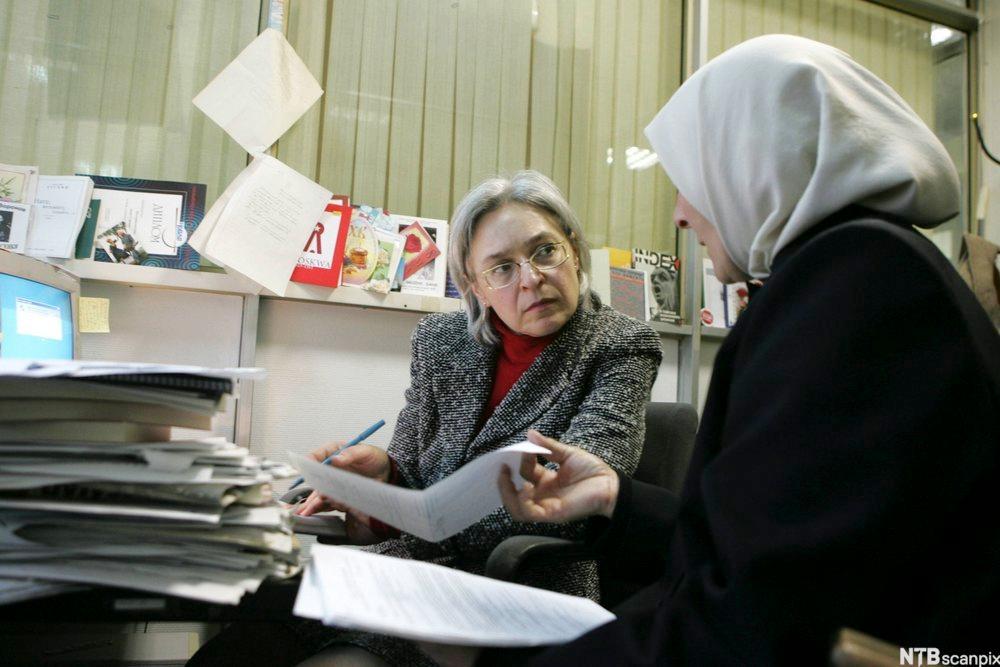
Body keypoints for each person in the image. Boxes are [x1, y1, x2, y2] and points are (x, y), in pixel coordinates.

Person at [471, 35, 1000, 665]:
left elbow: (761, 622)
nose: (680, 214)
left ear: (752, 165)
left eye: (690, 181)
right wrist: (617, 496)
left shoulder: (855, 292)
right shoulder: (853, 270)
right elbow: (767, 544)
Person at [188, 170, 663, 667]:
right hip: (408, 575)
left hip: (520, 590)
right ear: (476, 287)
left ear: (574, 250)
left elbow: (576, 495)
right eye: (502, 268)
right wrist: (383, 476)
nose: (530, 278)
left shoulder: (620, 345)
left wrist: (410, 517)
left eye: (545, 251)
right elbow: (414, 474)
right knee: (232, 648)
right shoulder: (441, 341)